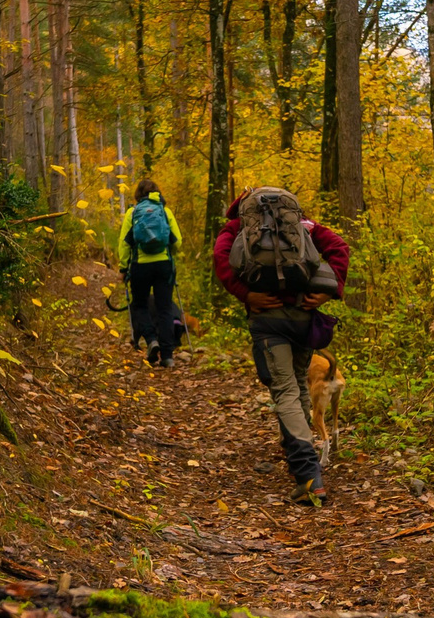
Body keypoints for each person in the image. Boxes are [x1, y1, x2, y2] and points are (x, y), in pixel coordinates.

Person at [213, 187, 349, 506]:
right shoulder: (302, 224)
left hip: (267, 318)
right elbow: (339, 248)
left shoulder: (237, 227)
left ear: (245, 206)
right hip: (303, 316)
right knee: (299, 384)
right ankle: (301, 458)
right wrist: (330, 290)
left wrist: (245, 294)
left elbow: (221, 258)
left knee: (286, 389)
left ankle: (308, 475)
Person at [114, 180, 182, 366]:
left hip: (140, 266)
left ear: (138, 195)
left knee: (140, 306)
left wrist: (123, 268)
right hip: (164, 265)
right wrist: (168, 254)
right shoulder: (165, 212)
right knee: (165, 308)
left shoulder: (133, 212)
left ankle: (151, 340)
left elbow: (125, 244)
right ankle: (168, 356)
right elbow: (177, 242)